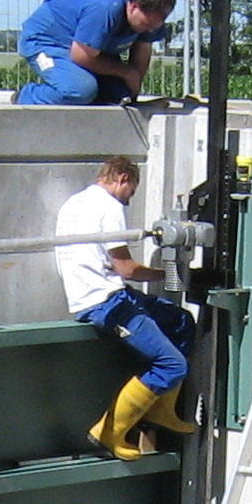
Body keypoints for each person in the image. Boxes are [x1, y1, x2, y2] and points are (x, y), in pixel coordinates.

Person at [55, 154, 195, 460]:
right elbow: (127, 269)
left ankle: (161, 409)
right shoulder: (110, 207)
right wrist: (171, 274)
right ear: (121, 178)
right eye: (131, 190)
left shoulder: (74, 204)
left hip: (104, 293)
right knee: (173, 365)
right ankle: (108, 432)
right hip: (104, 302)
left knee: (181, 321)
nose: (129, 199)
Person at [17, 0, 176, 106]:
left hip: (89, 48)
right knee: (79, 91)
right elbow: (81, 56)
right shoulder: (105, 7)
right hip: (48, 39)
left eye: (154, 27)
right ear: (133, 6)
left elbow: (142, 51)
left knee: (117, 97)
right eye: (145, 25)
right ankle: (26, 96)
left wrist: (132, 94)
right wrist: (126, 72)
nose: (149, 30)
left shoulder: (151, 11)